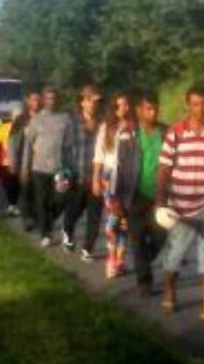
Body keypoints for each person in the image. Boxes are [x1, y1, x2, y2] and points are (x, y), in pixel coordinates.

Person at [155, 83, 204, 322]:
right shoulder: (175, 132)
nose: (200, 109)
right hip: (180, 208)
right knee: (175, 255)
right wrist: (160, 203)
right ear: (188, 105)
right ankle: (169, 293)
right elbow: (164, 169)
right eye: (195, 104)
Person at [92, 92, 140, 279]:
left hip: (129, 177)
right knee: (113, 221)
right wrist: (96, 179)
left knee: (125, 222)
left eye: (127, 105)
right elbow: (99, 156)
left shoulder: (135, 128)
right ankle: (110, 259)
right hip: (110, 177)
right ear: (113, 109)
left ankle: (120, 260)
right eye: (119, 106)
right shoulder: (106, 128)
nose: (124, 109)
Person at [127, 89, 168, 295]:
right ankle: (144, 281)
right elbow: (121, 165)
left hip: (160, 196)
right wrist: (117, 198)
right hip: (134, 195)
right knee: (137, 238)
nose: (153, 113)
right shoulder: (129, 133)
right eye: (148, 109)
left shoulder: (166, 132)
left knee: (160, 235)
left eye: (156, 109)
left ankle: (143, 262)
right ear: (139, 110)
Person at [22, 86, 75, 248]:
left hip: (59, 168)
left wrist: (70, 168)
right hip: (39, 168)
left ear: (58, 99)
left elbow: (70, 145)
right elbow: (28, 144)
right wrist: (25, 167)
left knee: (60, 200)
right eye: (48, 98)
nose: (52, 101)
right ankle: (46, 233)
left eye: (54, 98)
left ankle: (47, 220)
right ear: (44, 100)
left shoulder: (65, 119)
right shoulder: (36, 119)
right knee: (42, 200)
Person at [62, 86, 104, 257]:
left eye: (97, 102)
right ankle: (67, 231)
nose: (94, 105)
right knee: (74, 210)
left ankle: (88, 248)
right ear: (83, 102)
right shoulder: (72, 122)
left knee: (95, 216)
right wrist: (65, 172)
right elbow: (65, 148)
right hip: (77, 176)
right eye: (91, 101)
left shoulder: (103, 123)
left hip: (96, 177)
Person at [9, 91, 41, 229]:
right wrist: (13, 162)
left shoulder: (45, 118)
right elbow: (13, 141)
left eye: (38, 100)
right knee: (26, 189)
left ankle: (35, 216)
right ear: (28, 101)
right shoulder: (21, 119)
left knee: (39, 192)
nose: (36, 103)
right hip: (23, 160)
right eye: (33, 100)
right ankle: (27, 218)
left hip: (42, 161)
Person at [0, 102, 23, 216]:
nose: (18, 118)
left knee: (15, 184)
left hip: (20, 161)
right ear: (13, 116)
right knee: (7, 183)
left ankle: (12, 204)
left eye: (20, 116)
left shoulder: (25, 128)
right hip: (5, 161)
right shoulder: (5, 127)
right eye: (16, 116)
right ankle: (11, 204)